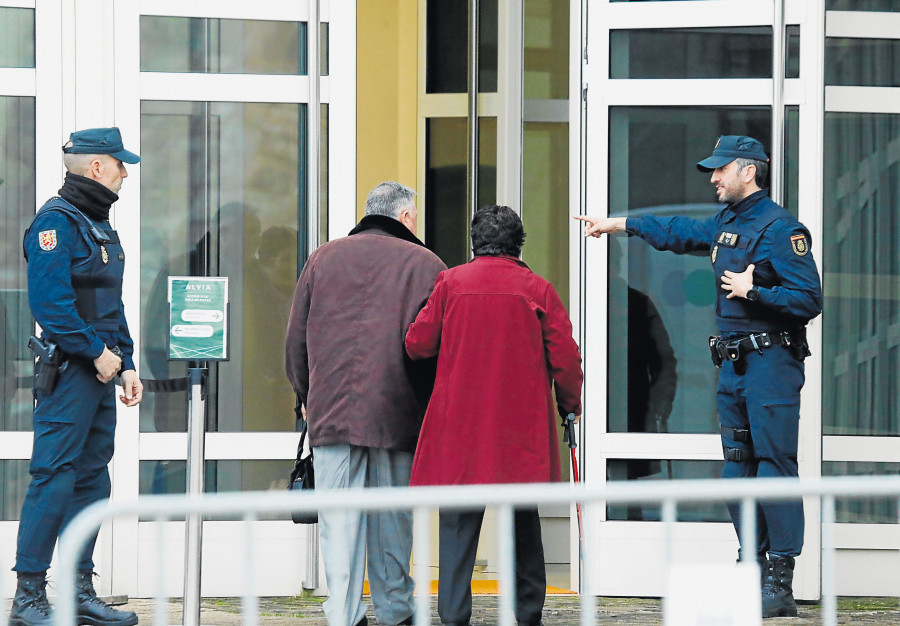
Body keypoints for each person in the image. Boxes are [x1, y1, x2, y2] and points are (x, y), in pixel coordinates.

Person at [576, 135, 823, 618]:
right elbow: (680, 231)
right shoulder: (727, 222)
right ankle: (749, 563)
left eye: (720, 169)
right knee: (737, 465)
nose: (713, 178)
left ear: (748, 170)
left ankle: (779, 577)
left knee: (774, 466)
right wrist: (620, 225)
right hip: (733, 366)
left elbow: (809, 300)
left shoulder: (781, 228)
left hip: (771, 365)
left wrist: (756, 293)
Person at [406, 204, 584, 626]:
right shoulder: (538, 289)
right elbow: (566, 360)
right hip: (519, 430)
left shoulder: (450, 283)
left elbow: (417, 344)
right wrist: (569, 406)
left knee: (458, 527)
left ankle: (453, 615)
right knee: (525, 525)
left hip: (461, 426)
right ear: (519, 244)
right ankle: (526, 615)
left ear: (474, 243)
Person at [285, 181, 446, 626]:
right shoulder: (427, 264)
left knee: (340, 518)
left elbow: (296, 337)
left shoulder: (323, 257)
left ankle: (344, 612)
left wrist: (306, 395)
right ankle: (395, 609)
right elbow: (436, 345)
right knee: (393, 517)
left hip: (332, 411)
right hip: (399, 411)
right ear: (406, 217)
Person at [10, 128, 143, 626]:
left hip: (102, 373)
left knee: (90, 480)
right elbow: (51, 306)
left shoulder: (97, 224)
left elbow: (111, 306)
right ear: (97, 168)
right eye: (119, 165)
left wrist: (126, 361)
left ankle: (79, 591)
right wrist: (96, 353)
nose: (125, 174)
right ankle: (28, 598)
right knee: (53, 478)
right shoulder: (56, 223)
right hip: (70, 374)